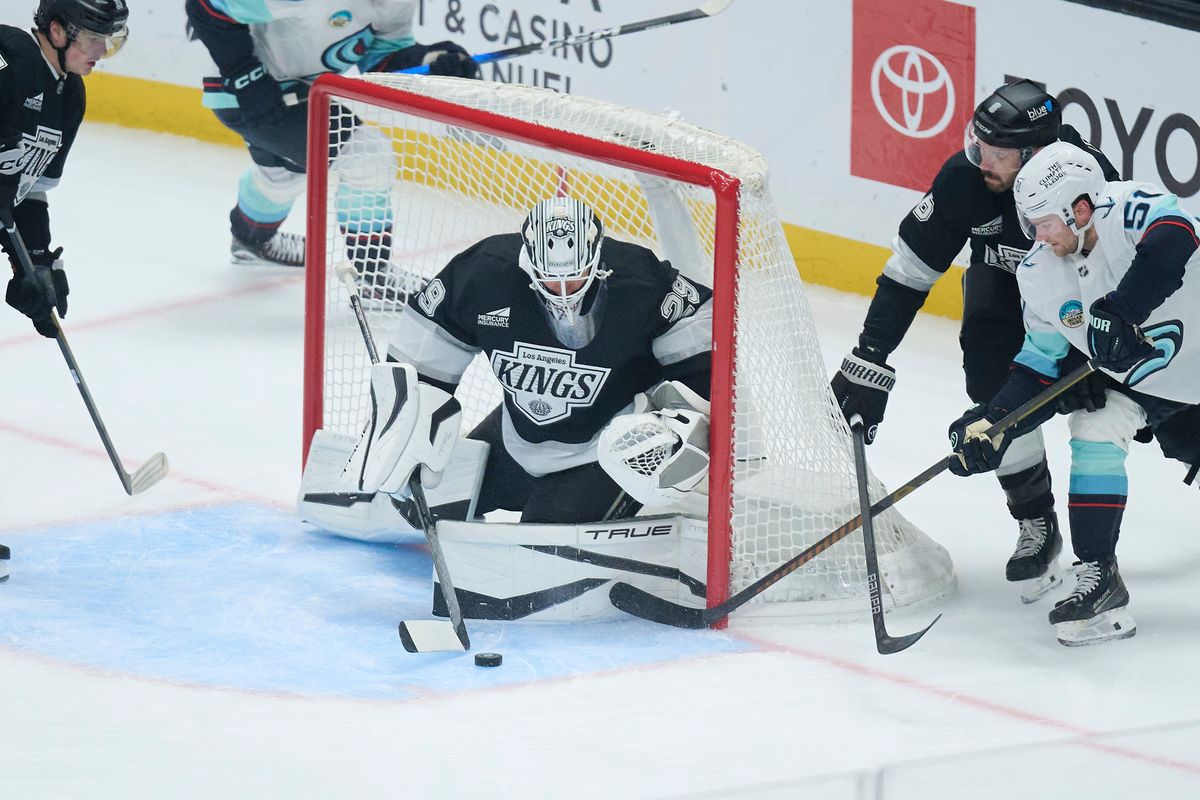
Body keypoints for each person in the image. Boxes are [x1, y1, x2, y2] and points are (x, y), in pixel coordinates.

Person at [830, 79, 1119, 602]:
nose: (981, 161)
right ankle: (1035, 520)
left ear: (1034, 154)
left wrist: (1090, 355)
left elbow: (1118, 274)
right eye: (978, 144)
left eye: (998, 155)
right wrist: (870, 356)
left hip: (1083, 298)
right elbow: (909, 271)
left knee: (1159, 417)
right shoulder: (965, 180)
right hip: (1003, 288)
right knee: (992, 392)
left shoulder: (1084, 177)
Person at [946, 141, 1200, 646]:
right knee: (1095, 426)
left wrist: (1122, 309)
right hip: (1160, 380)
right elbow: (1038, 365)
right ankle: (1100, 576)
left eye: (1044, 223)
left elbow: (1177, 235)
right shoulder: (1038, 273)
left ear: (1081, 209)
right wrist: (996, 422)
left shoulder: (1128, 206)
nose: (1036, 237)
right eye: (1030, 223)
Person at [184, 0, 480, 270]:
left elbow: (383, 58)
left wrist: (434, 60)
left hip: (300, 93)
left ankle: (249, 239)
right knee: (368, 156)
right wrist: (247, 78)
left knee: (285, 177)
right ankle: (372, 276)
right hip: (243, 93)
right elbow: (206, 7)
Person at [1, 0, 129, 337]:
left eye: (107, 39)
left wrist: (34, 261)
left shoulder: (70, 97)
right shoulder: (9, 55)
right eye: (93, 38)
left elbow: (29, 188)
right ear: (57, 31)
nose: (101, 50)